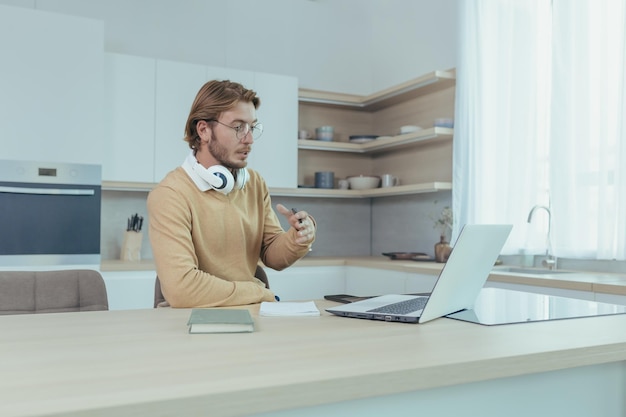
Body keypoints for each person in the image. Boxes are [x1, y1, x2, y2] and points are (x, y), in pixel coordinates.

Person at [147, 80, 316, 308]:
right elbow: (182, 289)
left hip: (249, 312)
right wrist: (257, 292)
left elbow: (272, 255)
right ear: (204, 130)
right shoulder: (171, 194)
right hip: (193, 322)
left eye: (251, 127)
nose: (249, 139)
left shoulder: (254, 183)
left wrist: (297, 238)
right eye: (238, 127)